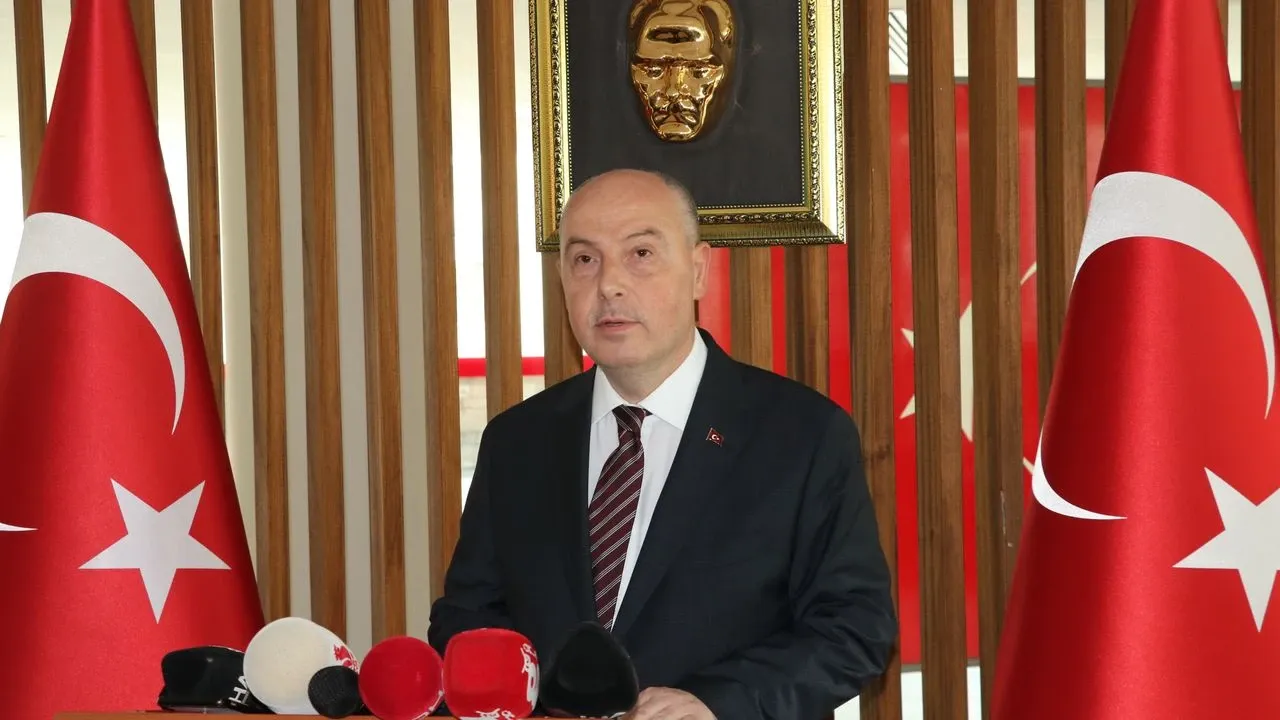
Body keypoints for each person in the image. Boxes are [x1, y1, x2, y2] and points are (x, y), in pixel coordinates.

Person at [427, 168, 897, 720]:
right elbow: (469, 621)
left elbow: (855, 630)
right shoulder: (517, 441)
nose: (609, 285)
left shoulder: (801, 435)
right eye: (585, 259)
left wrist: (717, 703)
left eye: (641, 254)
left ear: (698, 270)